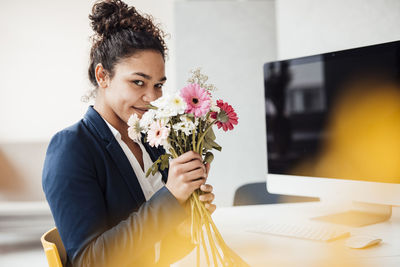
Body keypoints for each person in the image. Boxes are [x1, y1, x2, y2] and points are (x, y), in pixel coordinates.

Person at [42, 0, 216, 266]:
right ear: (103, 76)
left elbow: (158, 253)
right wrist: (170, 198)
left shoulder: (151, 141)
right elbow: (89, 261)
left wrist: (187, 219)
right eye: (138, 82)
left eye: (158, 85)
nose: (152, 98)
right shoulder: (71, 148)